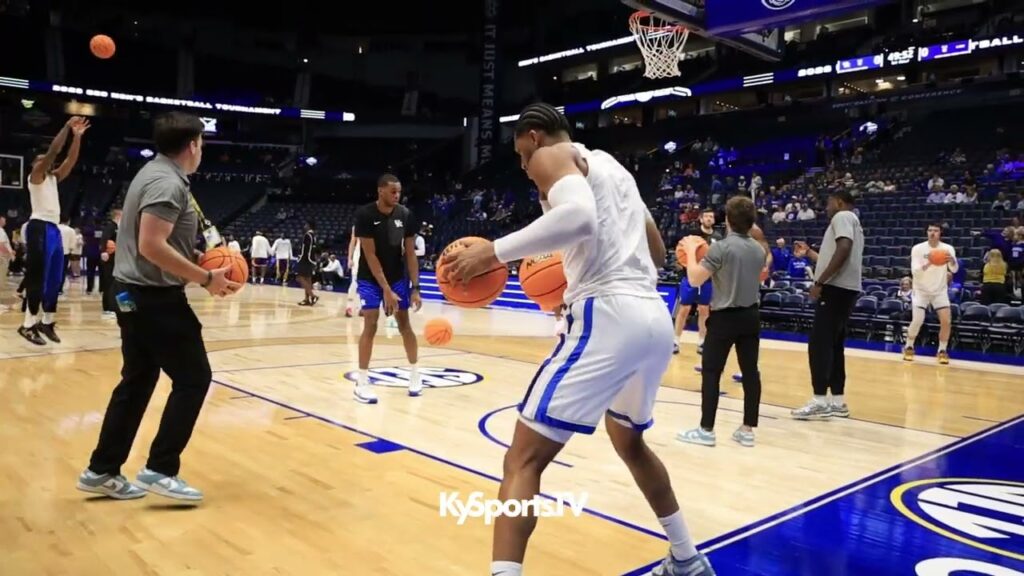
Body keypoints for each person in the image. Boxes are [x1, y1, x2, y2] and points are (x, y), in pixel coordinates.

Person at [440, 103, 713, 576]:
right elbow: (656, 248)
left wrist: (494, 252)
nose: (526, 170)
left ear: (533, 136)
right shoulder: (613, 167)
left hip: (607, 313)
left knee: (522, 460)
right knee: (629, 443)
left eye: (522, 157)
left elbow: (581, 220)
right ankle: (687, 559)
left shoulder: (550, 153)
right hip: (652, 315)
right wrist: (579, 265)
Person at [77, 112, 240, 502]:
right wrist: (205, 279)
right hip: (154, 297)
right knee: (193, 378)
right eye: (202, 143)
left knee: (137, 382)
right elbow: (152, 245)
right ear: (193, 145)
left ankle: (102, 469)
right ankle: (160, 468)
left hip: (133, 292)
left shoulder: (154, 172)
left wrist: (196, 256)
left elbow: (155, 241)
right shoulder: (167, 183)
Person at [677, 197, 766, 448]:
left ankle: (706, 430)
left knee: (712, 372)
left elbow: (695, 280)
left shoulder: (721, 248)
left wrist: (693, 253)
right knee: (750, 371)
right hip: (751, 315)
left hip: (725, 316)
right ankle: (747, 429)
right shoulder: (759, 250)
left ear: (727, 220)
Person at [791, 189, 863, 420]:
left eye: (830, 202)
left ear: (839, 202)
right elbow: (837, 254)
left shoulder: (842, 217)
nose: (827, 207)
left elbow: (843, 249)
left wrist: (820, 281)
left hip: (835, 289)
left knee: (819, 344)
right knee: (834, 346)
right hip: (846, 289)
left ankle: (820, 400)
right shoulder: (853, 220)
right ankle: (838, 401)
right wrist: (811, 254)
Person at [351, 174, 423, 404]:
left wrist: (415, 288)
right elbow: (370, 256)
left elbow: (410, 253)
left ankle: (415, 374)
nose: (397, 195)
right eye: (392, 191)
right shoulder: (365, 215)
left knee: (405, 325)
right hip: (370, 278)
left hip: (397, 277)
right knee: (370, 323)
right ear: (380, 190)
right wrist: (385, 289)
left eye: (399, 192)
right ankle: (362, 381)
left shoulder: (406, 215)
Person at [18, 116, 88, 345]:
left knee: (55, 279)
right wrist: (66, 127)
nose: (48, 163)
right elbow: (55, 152)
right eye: (42, 161)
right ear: (36, 165)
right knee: (37, 277)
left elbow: (70, 159)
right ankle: (27, 325)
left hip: (54, 229)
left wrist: (77, 138)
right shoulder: (35, 177)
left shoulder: (53, 179)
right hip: (39, 226)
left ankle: (46, 321)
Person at [903, 224, 958, 364]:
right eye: (930, 230)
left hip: (939, 290)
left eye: (936, 230)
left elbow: (954, 269)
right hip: (920, 290)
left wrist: (951, 261)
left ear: (940, 233)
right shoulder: (917, 248)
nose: (933, 233)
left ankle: (942, 350)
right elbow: (914, 271)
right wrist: (930, 262)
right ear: (926, 232)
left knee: (946, 321)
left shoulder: (947, 249)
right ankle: (909, 346)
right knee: (918, 320)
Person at [673, 208, 722, 355]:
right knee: (684, 309)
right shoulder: (692, 235)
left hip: (708, 277)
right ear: (700, 219)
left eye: (711, 217)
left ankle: (702, 342)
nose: (708, 219)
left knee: (704, 309)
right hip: (690, 275)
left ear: (713, 220)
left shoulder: (718, 237)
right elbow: (681, 251)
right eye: (706, 216)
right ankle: (675, 341)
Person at [99, 208, 122, 319]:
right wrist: (104, 251)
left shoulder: (118, 228)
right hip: (109, 260)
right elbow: (104, 239)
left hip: (116, 260)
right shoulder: (111, 226)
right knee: (108, 284)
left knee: (116, 284)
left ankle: (117, 307)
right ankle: (107, 308)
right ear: (117, 216)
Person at [296, 220, 319, 306]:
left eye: (306, 224)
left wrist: (302, 257)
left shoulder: (308, 235)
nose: (304, 226)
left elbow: (307, 249)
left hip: (306, 259)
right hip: (311, 260)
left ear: (309, 225)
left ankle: (313, 296)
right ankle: (307, 299)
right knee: (308, 279)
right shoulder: (314, 236)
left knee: (300, 277)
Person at [345, 225, 361, 317]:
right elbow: (352, 242)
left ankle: (362, 307)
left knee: (367, 283)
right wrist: (349, 258)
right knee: (355, 282)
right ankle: (349, 307)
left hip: (371, 256)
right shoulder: (357, 226)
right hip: (358, 256)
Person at [0, 215, 12, 312]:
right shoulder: (0, 231)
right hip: (2, 258)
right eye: (4, 219)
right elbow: (1, 245)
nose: (5, 221)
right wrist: (10, 254)